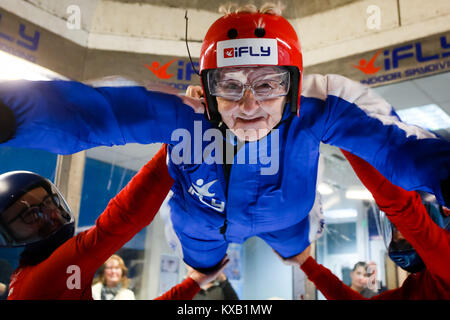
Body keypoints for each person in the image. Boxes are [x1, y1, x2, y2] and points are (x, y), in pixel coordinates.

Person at [0, 2, 449, 272]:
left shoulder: (322, 104)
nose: (249, 105)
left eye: (268, 83)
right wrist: (9, 113)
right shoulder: (186, 114)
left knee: (295, 250)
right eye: (230, 85)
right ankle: (209, 268)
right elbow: (95, 114)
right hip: (201, 226)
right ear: (207, 87)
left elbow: (399, 146)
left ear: (294, 84)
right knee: (204, 265)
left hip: (288, 220)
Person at [0, 146, 229, 299]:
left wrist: (195, 282)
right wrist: (178, 144)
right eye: (29, 215)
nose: (48, 215)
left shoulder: (30, 278)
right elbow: (124, 218)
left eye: (48, 203)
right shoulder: (48, 275)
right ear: (7, 233)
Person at [281, 150, 450, 299]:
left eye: (404, 231)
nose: (398, 234)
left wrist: (342, 131)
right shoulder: (426, 285)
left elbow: (402, 209)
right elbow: (402, 211)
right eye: (395, 229)